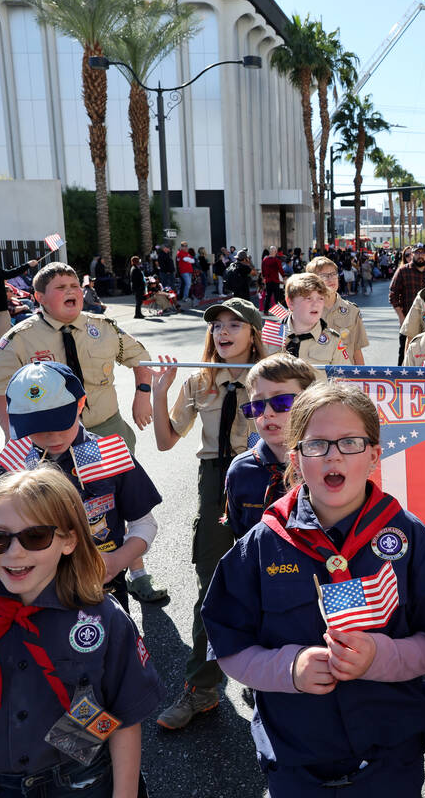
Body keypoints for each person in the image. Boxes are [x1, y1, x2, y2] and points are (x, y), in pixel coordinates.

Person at [201, 382, 425, 796]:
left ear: (375, 455)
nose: (334, 455)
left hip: (390, 758)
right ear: (296, 458)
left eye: (350, 442)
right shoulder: (262, 544)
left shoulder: (408, 537)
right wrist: (290, 668)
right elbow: (230, 646)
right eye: (317, 444)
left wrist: (382, 655)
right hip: (297, 761)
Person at [0, 466, 165, 798]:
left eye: (36, 537)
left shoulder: (103, 621)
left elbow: (123, 717)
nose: (14, 552)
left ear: (69, 541)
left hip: (80, 781)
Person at [150, 296, 273, 729]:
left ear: (253, 333)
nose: (222, 332)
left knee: (274, 579)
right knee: (212, 585)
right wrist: (160, 392)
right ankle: (202, 688)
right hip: (215, 479)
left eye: (233, 325)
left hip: (266, 474)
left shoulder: (273, 377)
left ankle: (271, 682)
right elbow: (166, 442)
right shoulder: (199, 381)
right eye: (217, 326)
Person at [0, 362, 165, 610]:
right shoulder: (10, 466)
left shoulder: (109, 455)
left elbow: (144, 523)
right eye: (37, 428)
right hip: (31, 600)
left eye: (61, 423)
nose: (52, 437)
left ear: (80, 404)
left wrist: (117, 560)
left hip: (101, 592)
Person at [0, 263, 153, 448]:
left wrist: (143, 394)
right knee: (58, 478)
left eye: (74, 286)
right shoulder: (19, 339)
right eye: (60, 287)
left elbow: (140, 358)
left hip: (107, 428)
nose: (70, 291)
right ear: (39, 297)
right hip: (50, 437)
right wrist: (13, 434)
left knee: (121, 476)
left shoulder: (103, 327)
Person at [224, 353, 317, 539]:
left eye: (281, 402)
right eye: (257, 406)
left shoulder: (326, 462)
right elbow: (239, 533)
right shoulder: (241, 470)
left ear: (309, 401)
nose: (267, 413)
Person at [277, 272, 348, 373]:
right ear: (290, 303)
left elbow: (345, 380)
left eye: (321, 298)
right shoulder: (270, 335)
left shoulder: (333, 340)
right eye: (308, 298)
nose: (316, 304)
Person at [306, 257, 369, 366]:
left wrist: (362, 380)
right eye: (324, 276)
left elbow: (357, 351)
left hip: (345, 379)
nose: (331, 279)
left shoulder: (352, 311)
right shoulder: (304, 312)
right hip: (316, 379)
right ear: (312, 281)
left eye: (333, 274)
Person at [389, 242, 425, 365]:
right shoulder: (403, 271)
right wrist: (401, 317)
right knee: (404, 352)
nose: (420, 255)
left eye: (422, 252)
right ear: (412, 254)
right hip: (409, 319)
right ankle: (401, 379)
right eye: (417, 252)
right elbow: (393, 295)